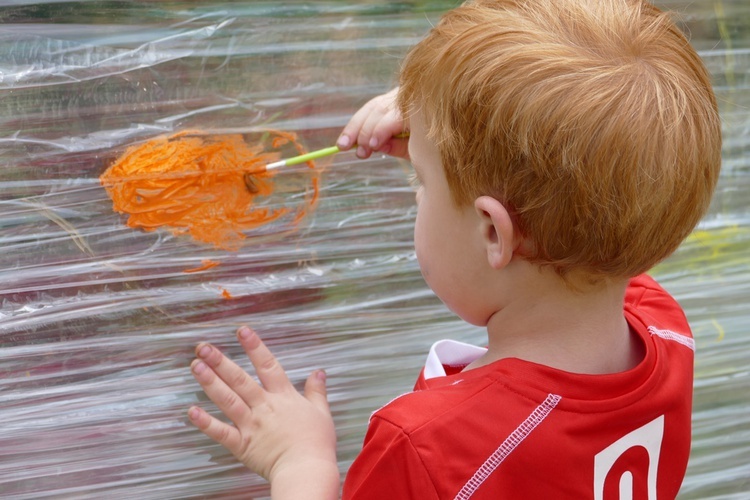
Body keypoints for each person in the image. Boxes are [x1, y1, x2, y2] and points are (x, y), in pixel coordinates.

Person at [187, 0, 722, 497]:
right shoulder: (666, 327)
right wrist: (454, 149)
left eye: (420, 181)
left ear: (493, 232)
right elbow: (595, 205)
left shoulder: (426, 449)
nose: (416, 189)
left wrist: (300, 463)